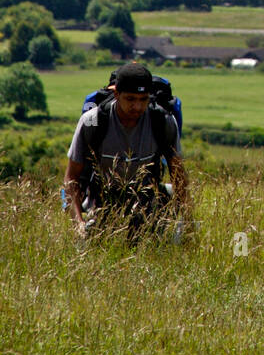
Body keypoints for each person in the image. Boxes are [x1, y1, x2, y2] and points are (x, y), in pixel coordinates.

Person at [64, 62, 191, 242]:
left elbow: (179, 175)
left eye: (143, 99)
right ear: (116, 94)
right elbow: (72, 178)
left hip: (148, 207)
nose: (138, 107)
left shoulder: (162, 122)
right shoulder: (92, 122)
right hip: (102, 205)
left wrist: (187, 221)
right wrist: (78, 224)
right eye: (130, 99)